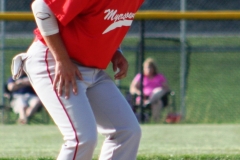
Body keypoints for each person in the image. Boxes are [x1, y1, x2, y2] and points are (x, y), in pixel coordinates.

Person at [11, 0, 144, 159]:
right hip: (54, 59)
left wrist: (115, 50)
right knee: (81, 139)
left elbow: (103, 20)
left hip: (91, 67)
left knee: (127, 131)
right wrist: (61, 59)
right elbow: (41, 6)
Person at [130, 58, 170, 122]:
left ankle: (155, 120)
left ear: (154, 68)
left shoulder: (160, 76)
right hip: (143, 98)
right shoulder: (140, 76)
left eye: (150, 67)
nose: (148, 69)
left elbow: (167, 88)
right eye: (146, 67)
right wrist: (139, 93)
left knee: (157, 95)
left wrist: (158, 91)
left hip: (157, 98)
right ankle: (149, 104)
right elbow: (132, 88)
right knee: (156, 102)